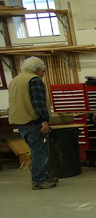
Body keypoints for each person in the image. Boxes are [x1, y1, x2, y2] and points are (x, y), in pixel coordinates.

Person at [8, 56, 57, 190]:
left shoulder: (15, 81)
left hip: (20, 122)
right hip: (33, 122)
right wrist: (44, 121)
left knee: (35, 151)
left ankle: (44, 176)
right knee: (40, 152)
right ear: (36, 70)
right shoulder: (34, 80)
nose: (43, 75)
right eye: (43, 71)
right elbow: (38, 103)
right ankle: (39, 180)